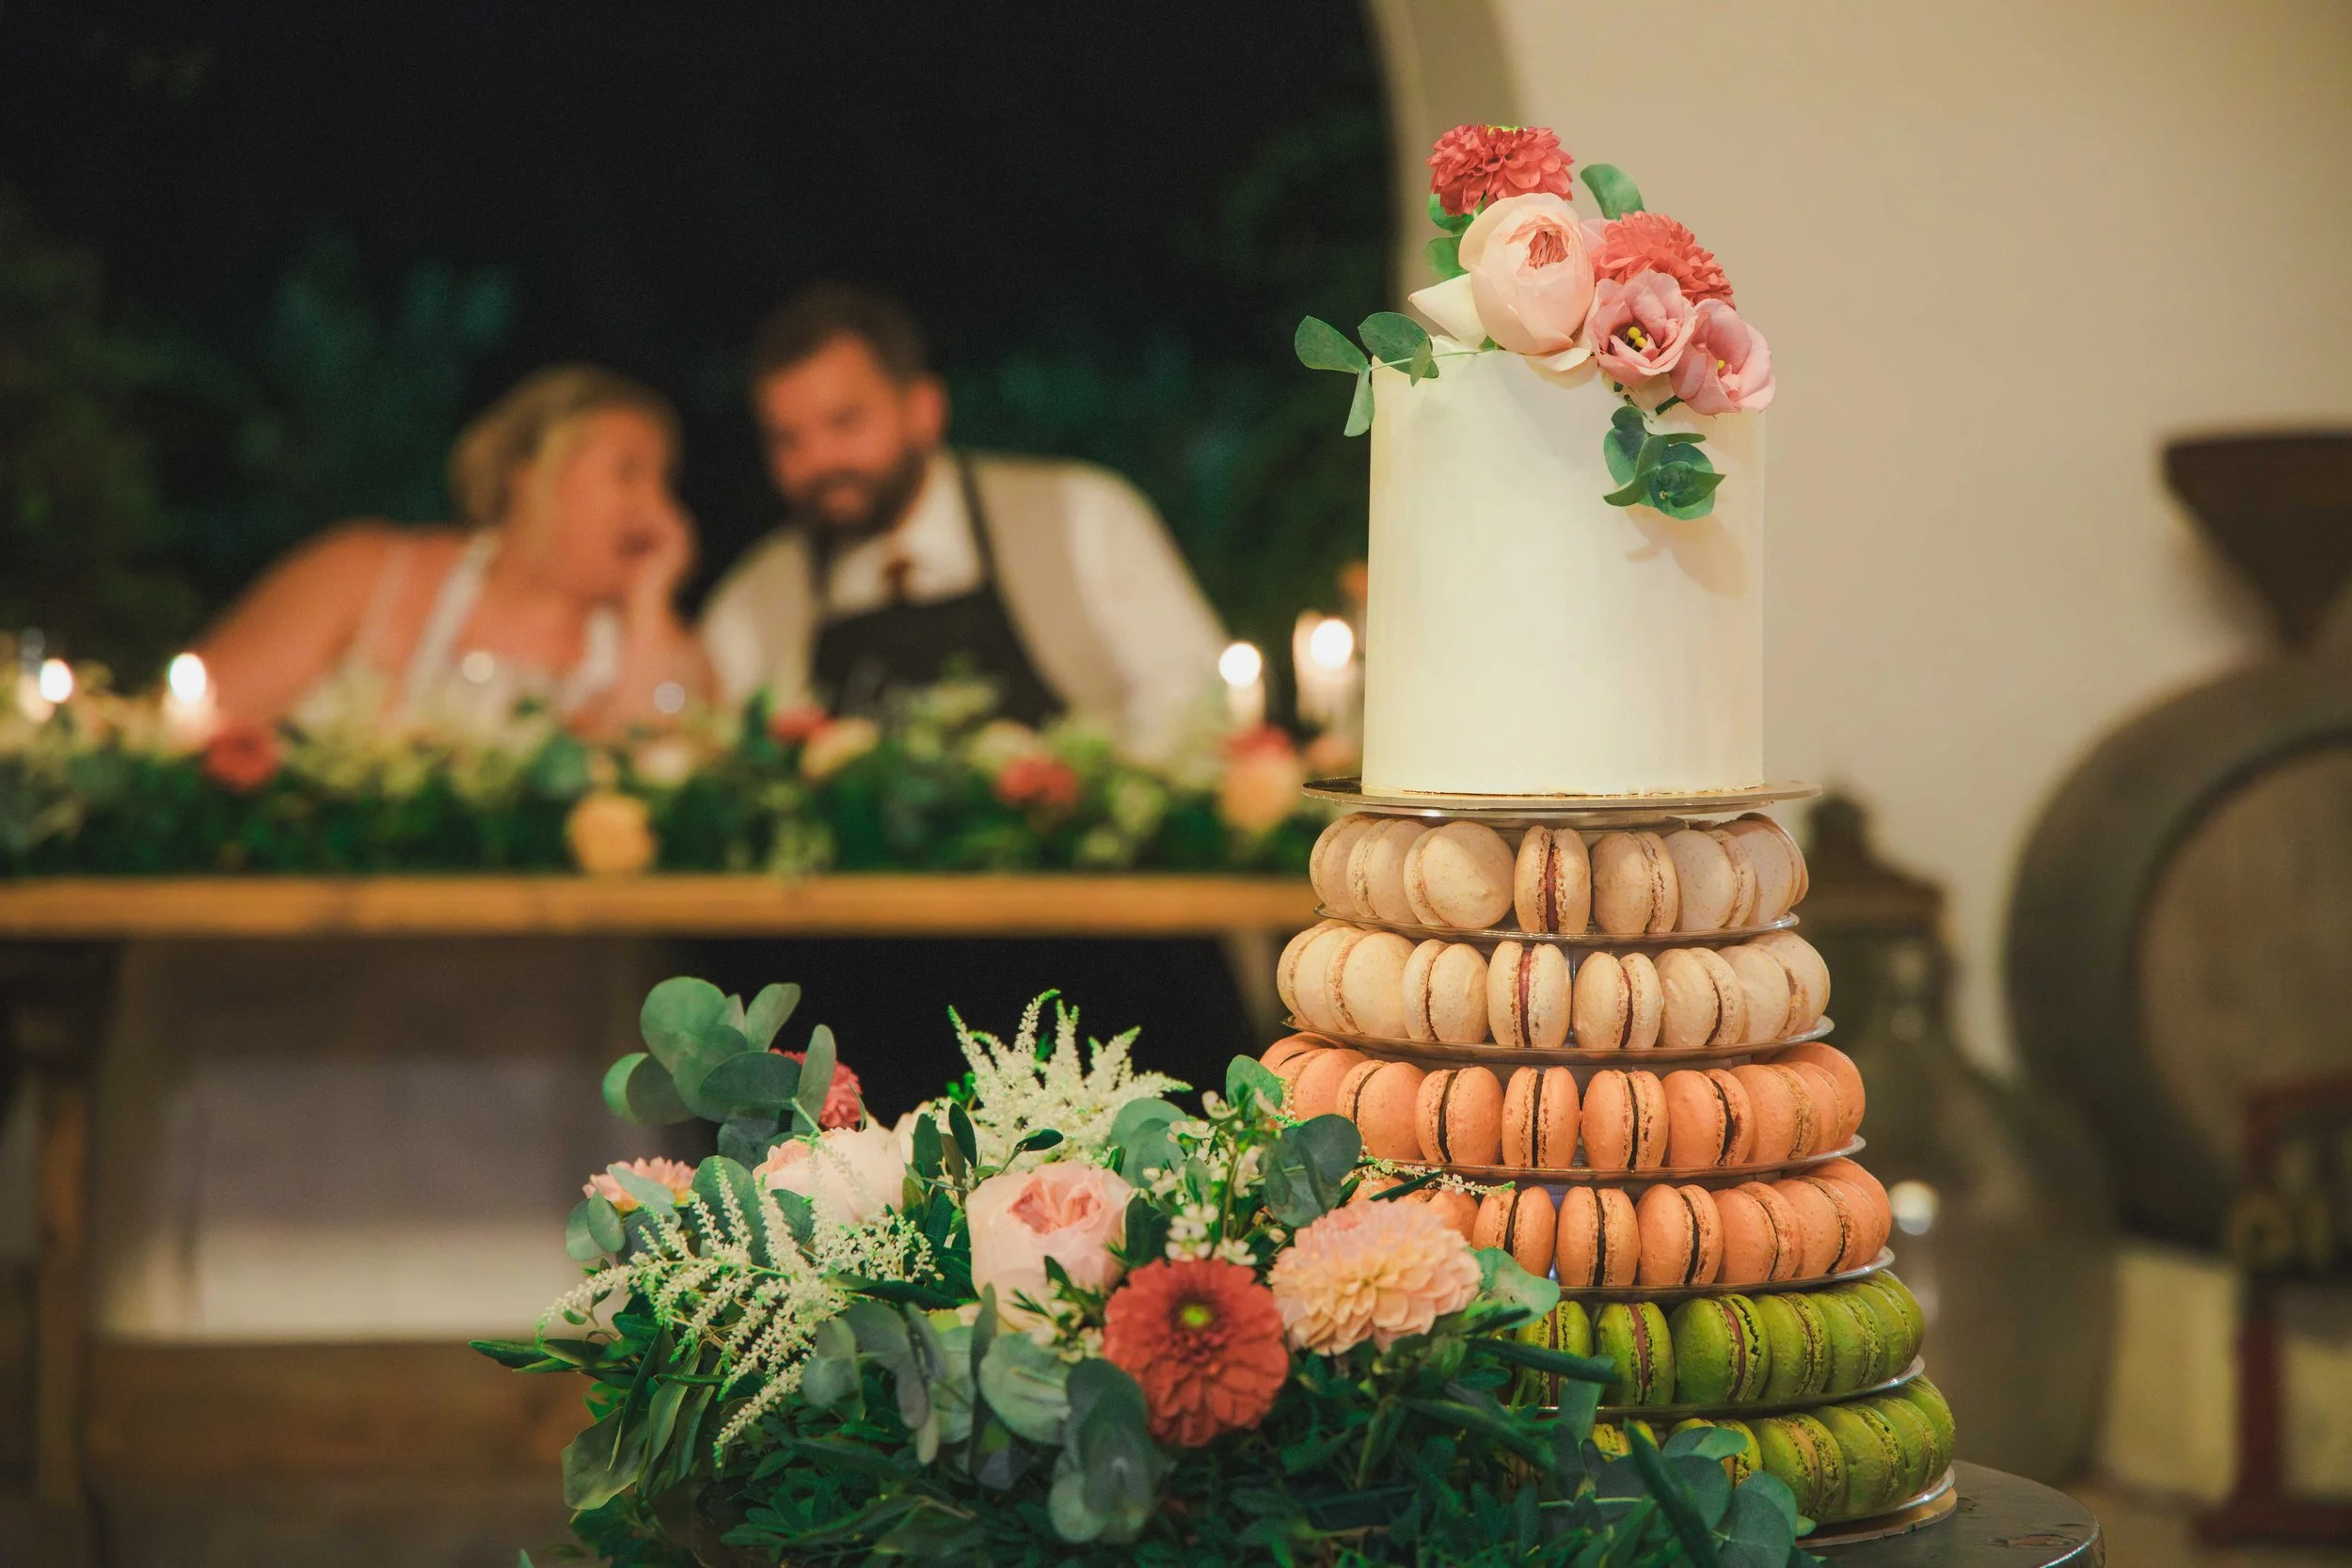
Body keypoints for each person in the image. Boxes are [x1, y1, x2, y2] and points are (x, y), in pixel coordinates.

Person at [700, 284, 1224, 761]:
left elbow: (1198, 704)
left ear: (924, 410)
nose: (819, 461)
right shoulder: (757, 594)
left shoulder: (1079, 514)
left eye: (845, 422)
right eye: (788, 440)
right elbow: (690, 750)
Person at [198, 364, 708, 736]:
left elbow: (669, 765)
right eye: (628, 474)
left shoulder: (659, 647)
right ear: (530, 473)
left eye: (665, 482)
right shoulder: (368, 575)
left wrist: (649, 606)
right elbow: (193, 726)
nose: (657, 510)